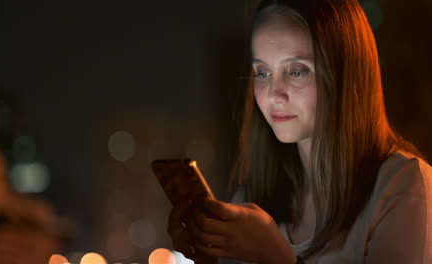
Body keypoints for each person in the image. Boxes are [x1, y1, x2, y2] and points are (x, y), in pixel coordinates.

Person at [167, 0, 432, 263]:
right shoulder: (251, 200)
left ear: (344, 73)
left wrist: (275, 255)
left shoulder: (403, 186)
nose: (274, 94)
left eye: (296, 71)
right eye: (262, 73)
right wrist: (208, 255)